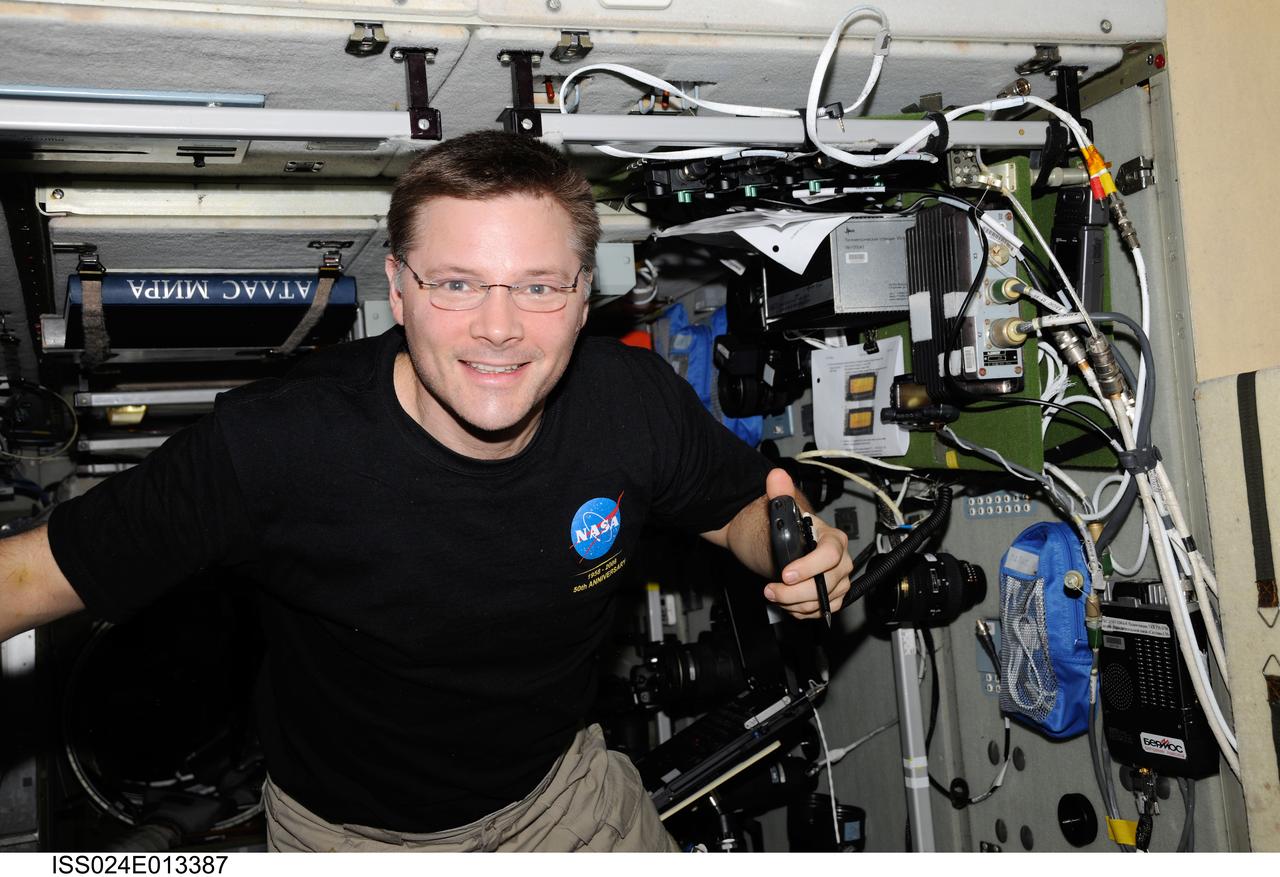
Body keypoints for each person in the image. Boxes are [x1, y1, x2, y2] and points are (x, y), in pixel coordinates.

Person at [0, 130, 852, 852]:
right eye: (456, 283)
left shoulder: (631, 402)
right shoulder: (275, 445)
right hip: (346, 835)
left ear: (584, 295)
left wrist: (796, 546)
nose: (499, 325)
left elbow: (743, 505)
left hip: (564, 794)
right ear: (400, 293)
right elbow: (27, 579)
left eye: (538, 285)